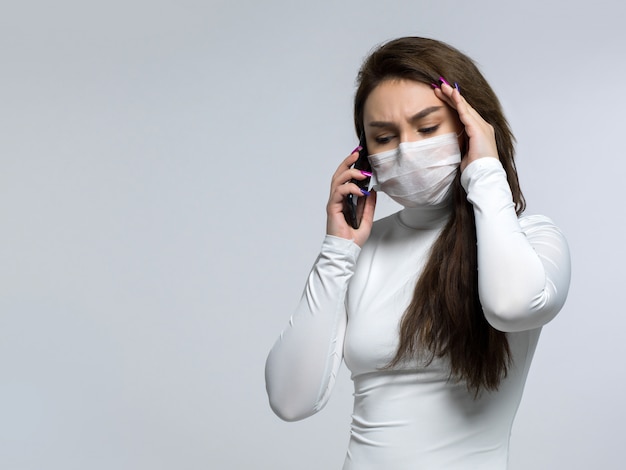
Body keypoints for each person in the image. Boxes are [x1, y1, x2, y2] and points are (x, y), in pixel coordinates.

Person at [264, 37, 571, 469]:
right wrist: (338, 248)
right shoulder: (359, 252)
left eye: (427, 128)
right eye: (385, 137)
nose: (407, 149)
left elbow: (511, 306)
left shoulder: (530, 241)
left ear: (474, 128)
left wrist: (485, 170)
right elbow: (290, 399)